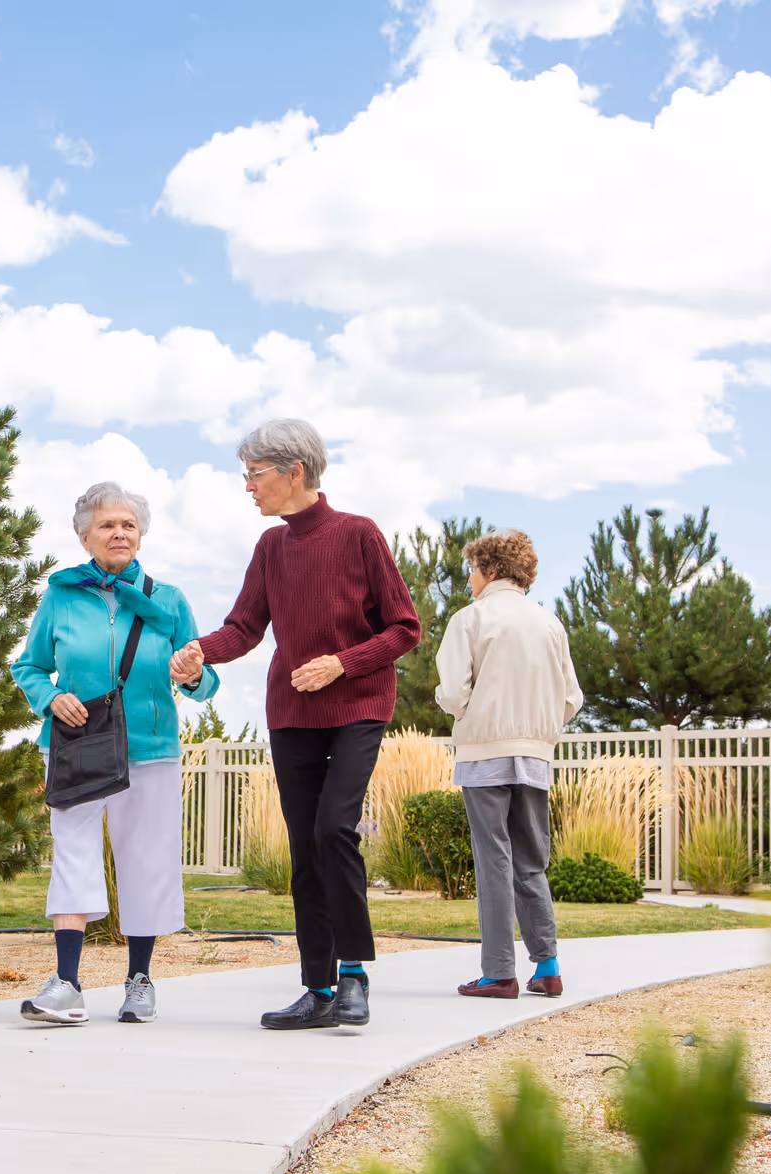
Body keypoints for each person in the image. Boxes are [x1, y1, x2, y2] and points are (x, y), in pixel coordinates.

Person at [171, 419, 420, 1031]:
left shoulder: (359, 534)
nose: (248, 488)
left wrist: (342, 663)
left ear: (295, 472)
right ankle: (317, 987)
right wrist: (200, 649)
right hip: (291, 714)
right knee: (306, 847)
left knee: (336, 828)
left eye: (254, 476)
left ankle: (354, 976)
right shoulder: (271, 549)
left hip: (359, 704)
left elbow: (403, 627)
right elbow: (244, 628)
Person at [10, 481, 220, 1026]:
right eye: (107, 524)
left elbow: (204, 679)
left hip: (150, 746)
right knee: (73, 853)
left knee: (145, 859)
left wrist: (194, 674)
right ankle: (67, 984)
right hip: (77, 744)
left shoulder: (168, 599)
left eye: (128, 524)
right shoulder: (59, 595)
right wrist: (50, 697)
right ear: (85, 536)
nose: (119, 533)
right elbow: (28, 667)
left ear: (141, 534)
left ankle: (139, 981)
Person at [433, 529, 583, 999]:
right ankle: (548, 966)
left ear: (491, 569)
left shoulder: (470, 620)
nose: (469, 579)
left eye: (473, 569)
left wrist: (460, 710)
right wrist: (540, 731)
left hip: (484, 754)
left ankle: (498, 972)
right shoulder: (549, 623)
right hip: (535, 755)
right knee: (531, 861)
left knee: (493, 859)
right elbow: (572, 698)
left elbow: (453, 692)